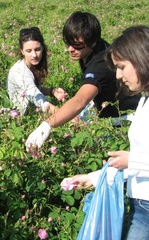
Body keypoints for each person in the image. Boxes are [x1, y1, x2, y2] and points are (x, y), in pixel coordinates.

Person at [61, 25, 149, 239]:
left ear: (140, 59)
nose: (118, 75)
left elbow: (136, 160)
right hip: (141, 205)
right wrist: (94, 177)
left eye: (122, 67)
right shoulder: (144, 100)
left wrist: (133, 161)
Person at [25, 11, 140, 148]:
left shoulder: (100, 65)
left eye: (77, 45)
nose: (70, 49)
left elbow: (80, 100)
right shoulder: (91, 49)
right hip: (111, 105)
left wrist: (47, 125)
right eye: (68, 43)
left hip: (124, 118)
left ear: (93, 42)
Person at [7, 27, 68, 115]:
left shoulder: (32, 65)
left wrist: (52, 91)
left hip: (33, 113)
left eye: (37, 49)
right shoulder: (19, 72)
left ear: (42, 48)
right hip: (20, 118)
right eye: (29, 51)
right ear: (22, 51)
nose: (34, 55)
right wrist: (68, 117)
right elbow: (41, 102)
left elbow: (34, 90)